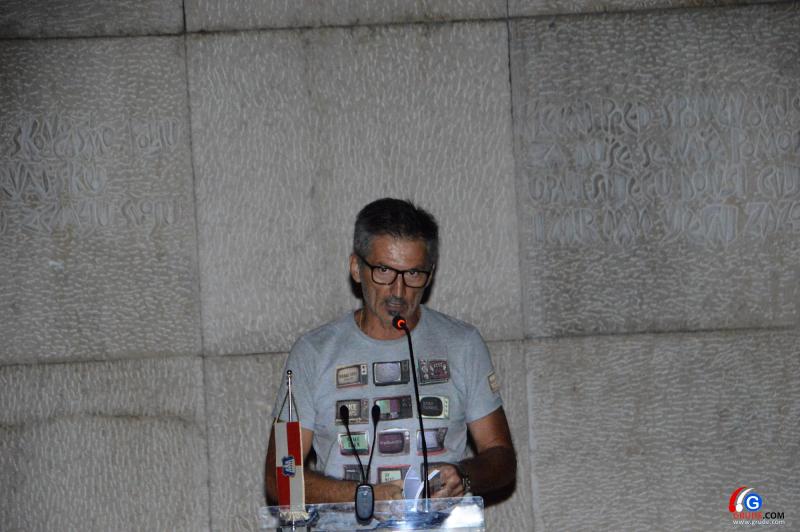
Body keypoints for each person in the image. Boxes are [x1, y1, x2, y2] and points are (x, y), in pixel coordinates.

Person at [265, 198, 516, 503]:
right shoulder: (312, 353)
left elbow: (502, 457)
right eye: (384, 270)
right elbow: (280, 477)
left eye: (413, 274)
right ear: (356, 268)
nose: (399, 291)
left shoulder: (463, 344)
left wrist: (464, 475)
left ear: (430, 274)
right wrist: (367, 497)